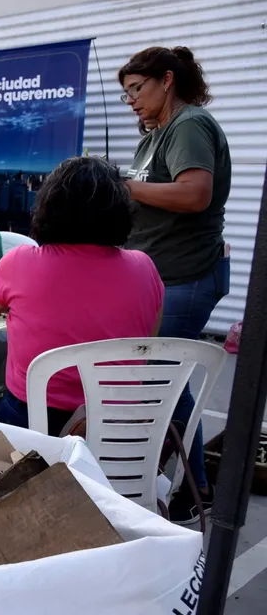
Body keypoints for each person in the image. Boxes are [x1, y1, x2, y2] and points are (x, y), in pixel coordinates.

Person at [119, 45, 231, 524]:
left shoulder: (188, 125)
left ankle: (192, 485)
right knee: (171, 380)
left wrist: (123, 186)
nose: (132, 101)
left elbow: (194, 193)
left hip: (184, 275)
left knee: (161, 381)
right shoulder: (155, 134)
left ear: (167, 80)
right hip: (159, 274)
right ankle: (194, 483)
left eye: (137, 89)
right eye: (126, 95)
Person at [0, 156, 164, 435]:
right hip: (115, 426)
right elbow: (148, 336)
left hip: (32, 421)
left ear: (46, 208)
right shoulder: (144, 266)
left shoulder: (20, 261)